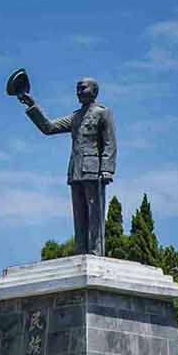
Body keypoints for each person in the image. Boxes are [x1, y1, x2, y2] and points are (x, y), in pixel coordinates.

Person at [17, 77, 117, 256]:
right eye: (77, 89)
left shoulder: (103, 113)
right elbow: (48, 127)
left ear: (94, 92)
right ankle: (80, 251)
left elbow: (110, 143)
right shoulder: (75, 117)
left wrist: (107, 169)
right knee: (79, 215)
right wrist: (32, 106)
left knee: (95, 216)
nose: (79, 92)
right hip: (75, 171)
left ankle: (95, 253)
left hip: (94, 171)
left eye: (83, 88)